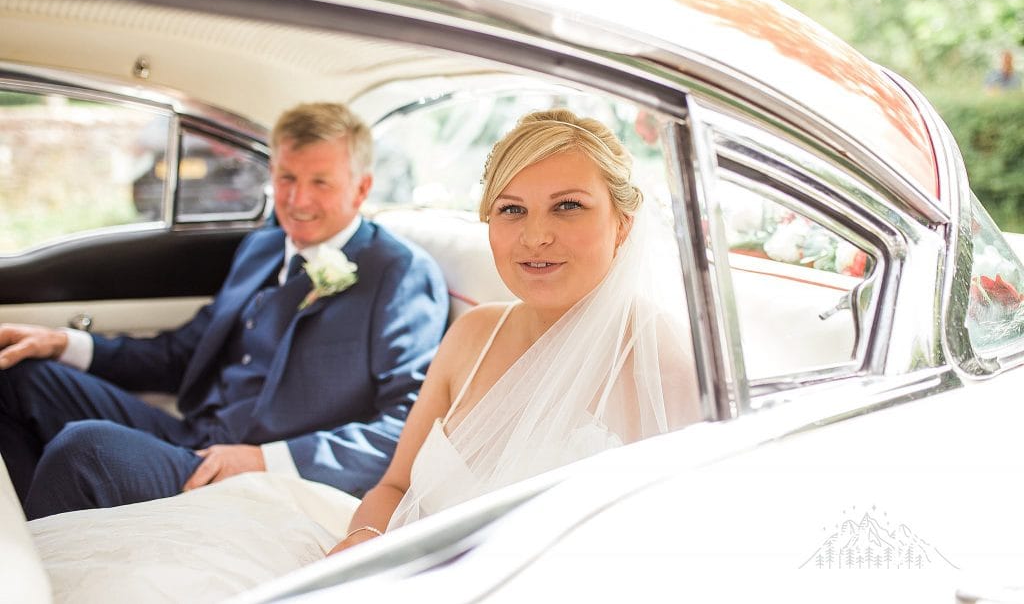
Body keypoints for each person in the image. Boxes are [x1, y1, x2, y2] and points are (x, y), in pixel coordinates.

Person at [0, 101, 449, 519]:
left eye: (320, 182)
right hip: (193, 437)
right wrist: (63, 343)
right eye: (287, 178)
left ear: (361, 188)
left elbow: (407, 427)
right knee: (18, 375)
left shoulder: (399, 272)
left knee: (86, 450)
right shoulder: (262, 248)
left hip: (267, 478)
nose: (298, 201)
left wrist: (266, 460)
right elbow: (180, 355)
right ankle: (18, 541)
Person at [329, 108, 701, 554]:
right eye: (512, 209)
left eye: (568, 206)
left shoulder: (667, 365)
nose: (535, 236)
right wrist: (364, 539)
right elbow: (394, 487)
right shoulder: (473, 334)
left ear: (622, 224)